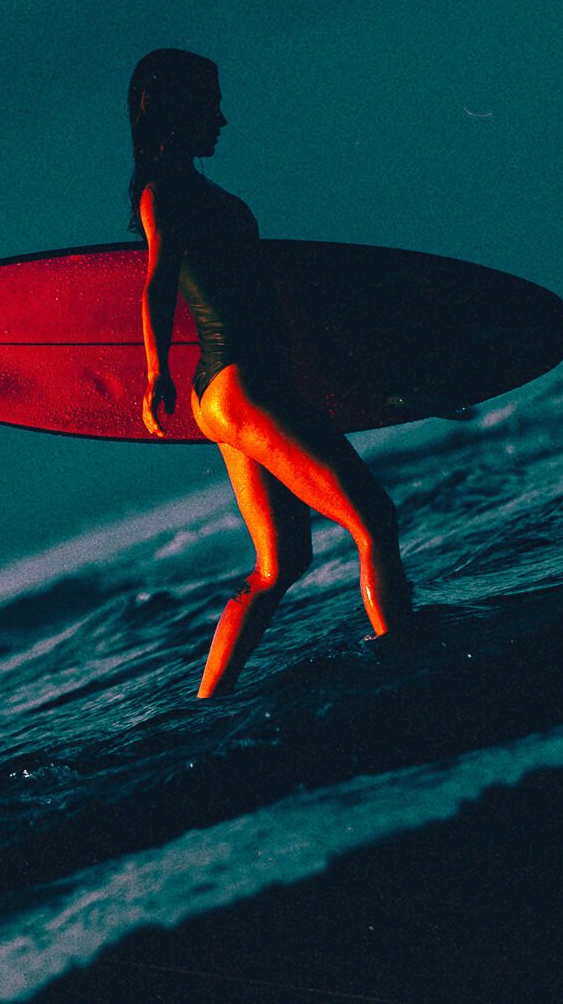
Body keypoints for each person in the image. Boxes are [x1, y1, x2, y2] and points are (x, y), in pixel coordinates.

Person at [128, 48, 412, 697]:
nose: (223, 119)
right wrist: (154, 376)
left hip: (238, 388)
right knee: (374, 522)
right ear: (179, 112)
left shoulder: (195, 191)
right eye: (211, 105)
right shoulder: (164, 191)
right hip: (239, 383)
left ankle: (207, 705)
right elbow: (157, 284)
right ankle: (406, 662)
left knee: (279, 563)